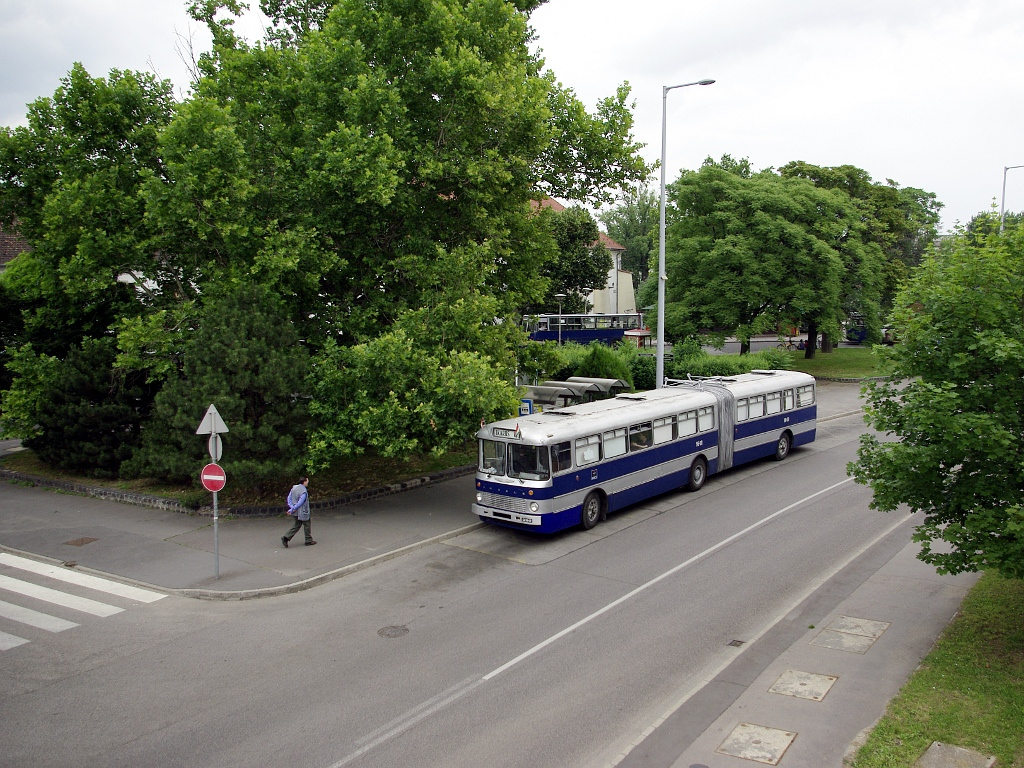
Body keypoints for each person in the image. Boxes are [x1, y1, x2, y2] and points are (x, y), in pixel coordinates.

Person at [282, 477, 315, 547]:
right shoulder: (304, 491)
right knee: (307, 525)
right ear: (304, 482)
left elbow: (289, 498)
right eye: (307, 481)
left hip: (295, 512)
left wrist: (292, 507)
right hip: (303, 511)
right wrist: (292, 509)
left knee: (297, 525)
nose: (308, 483)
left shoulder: (294, 488)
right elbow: (301, 502)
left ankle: (286, 537)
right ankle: (308, 540)